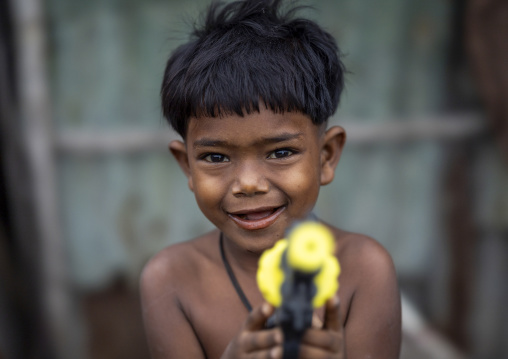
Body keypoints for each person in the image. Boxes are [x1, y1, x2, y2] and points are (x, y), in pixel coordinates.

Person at [140, 0, 401, 358]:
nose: (248, 183)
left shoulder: (364, 271)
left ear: (326, 156)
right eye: (215, 157)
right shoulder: (171, 280)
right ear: (187, 166)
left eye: (280, 153)